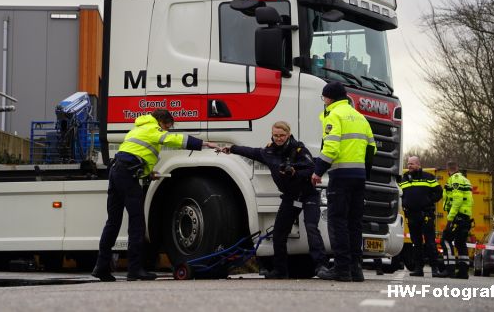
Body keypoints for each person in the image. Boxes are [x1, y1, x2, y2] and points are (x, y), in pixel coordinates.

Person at [92, 109, 218, 282]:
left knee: (113, 222)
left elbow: (134, 154)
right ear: (160, 121)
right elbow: (173, 140)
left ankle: (101, 267)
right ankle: (135, 270)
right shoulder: (153, 128)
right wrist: (204, 144)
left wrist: (147, 173)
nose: (167, 130)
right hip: (127, 175)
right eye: (167, 126)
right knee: (137, 223)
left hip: (117, 171)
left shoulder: (138, 128)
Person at [221, 121, 325, 279]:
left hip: (308, 194)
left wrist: (295, 171)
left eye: (282, 136)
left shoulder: (299, 149)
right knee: (279, 233)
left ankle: (321, 266)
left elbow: (311, 169)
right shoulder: (269, 152)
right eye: (276, 135)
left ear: (288, 135)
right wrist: (233, 149)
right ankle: (280, 270)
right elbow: (252, 152)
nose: (278, 138)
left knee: (311, 227)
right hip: (291, 197)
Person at [311, 81, 375, 282]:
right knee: (354, 223)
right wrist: (365, 172)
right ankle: (356, 269)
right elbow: (371, 148)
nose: (324, 101)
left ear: (329, 98)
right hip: (359, 177)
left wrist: (318, 171)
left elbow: (331, 147)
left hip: (340, 177)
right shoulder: (360, 117)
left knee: (337, 222)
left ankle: (341, 268)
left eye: (324, 98)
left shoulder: (334, 116)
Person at [399, 156, 443, 276]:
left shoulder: (428, 177)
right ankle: (419, 269)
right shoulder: (404, 179)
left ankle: (435, 269)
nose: (409, 166)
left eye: (412, 164)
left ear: (418, 164)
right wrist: (404, 204)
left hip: (426, 214)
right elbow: (400, 194)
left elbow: (439, 192)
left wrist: (429, 201)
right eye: (408, 164)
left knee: (430, 242)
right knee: (416, 243)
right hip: (411, 215)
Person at [433, 160, 473, 279]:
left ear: (448, 170)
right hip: (465, 216)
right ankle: (463, 271)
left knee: (445, 240)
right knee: (461, 243)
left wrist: (450, 219)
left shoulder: (455, 179)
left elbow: (457, 200)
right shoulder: (465, 179)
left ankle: (449, 269)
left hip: (458, 216)